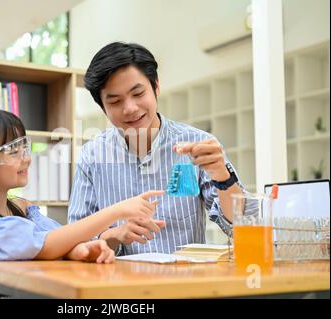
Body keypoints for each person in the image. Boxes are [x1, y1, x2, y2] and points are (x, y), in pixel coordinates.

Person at [0, 107, 163, 298]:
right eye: (13, 151)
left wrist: (79, 250)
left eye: (24, 146)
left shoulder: (21, 206)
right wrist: (118, 210)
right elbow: (46, 244)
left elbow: (57, 238)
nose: (26, 158)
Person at [68, 42, 246, 256]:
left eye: (138, 93)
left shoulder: (198, 143)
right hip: (116, 286)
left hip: (184, 284)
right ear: (103, 108)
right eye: (115, 101)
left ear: (156, 87)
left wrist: (223, 176)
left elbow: (242, 228)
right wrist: (115, 234)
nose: (130, 108)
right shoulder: (92, 155)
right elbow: (75, 240)